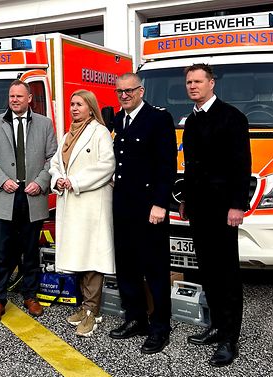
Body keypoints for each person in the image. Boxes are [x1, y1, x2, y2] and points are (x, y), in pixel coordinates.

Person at [180, 63, 251, 367]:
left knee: (227, 274)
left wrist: (237, 205)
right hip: (199, 207)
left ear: (212, 83)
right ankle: (217, 325)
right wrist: (184, 199)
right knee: (206, 270)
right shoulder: (191, 121)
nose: (192, 86)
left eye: (197, 81)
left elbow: (241, 165)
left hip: (223, 209)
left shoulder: (232, 117)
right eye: (188, 82)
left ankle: (229, 339)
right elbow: (191, 168)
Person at [109, 73, 177, 354]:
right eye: (120, 92)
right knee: (127, 267)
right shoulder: (119, 121)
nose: (124, 96)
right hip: (124, 205)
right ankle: (135, 318)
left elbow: (166, 165)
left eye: (129, 91)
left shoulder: (158, 118)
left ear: (141, 90)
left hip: (150, 208)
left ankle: (160, 326)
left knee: (156, 269)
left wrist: (161, 203)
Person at [0, 79, 57, 324]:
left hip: (33, 196)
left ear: (29, 99)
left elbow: (52, 158)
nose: (14, 100)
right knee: (2, 252)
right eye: (11, 96)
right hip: (5, 196)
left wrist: (41, 181)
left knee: (30, 252)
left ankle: (30, 295)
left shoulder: (45, 124)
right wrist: (2, 180)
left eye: (19, 96)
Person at [49, 89, 116, 337]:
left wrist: (74, 181)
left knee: (92, 258)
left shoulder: (99, 132)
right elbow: (55, 164)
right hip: (73, 203)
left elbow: (107, 166)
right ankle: (84, 307)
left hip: (91, 204)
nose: (74, 108)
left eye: (79, 104)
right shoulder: (68, 134)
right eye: (71, 104)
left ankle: (92, 313)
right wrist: (58, 179)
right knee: (79, 256)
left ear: (90, 107)